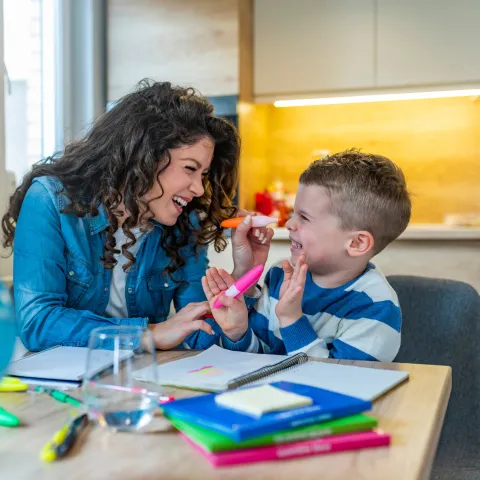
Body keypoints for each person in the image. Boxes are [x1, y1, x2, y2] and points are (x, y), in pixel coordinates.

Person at [1, 80, 273, 352]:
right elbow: (38, 322)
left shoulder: (183, 223)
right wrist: (148, 335)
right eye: (190, 168)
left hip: (143, 380)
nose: (199, 188)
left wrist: (241, 278)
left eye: (202, 175)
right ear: (144, 157)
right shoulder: (49, 200)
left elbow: (199, 333)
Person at [203, 150, 411, 361]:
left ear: (357, 243)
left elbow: (339, 383)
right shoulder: (279, 276)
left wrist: (292, 320)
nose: (291, 224)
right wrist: (237, 332)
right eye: (293, 213)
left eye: (304, 217)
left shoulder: (375, 307)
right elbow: (257, 360)